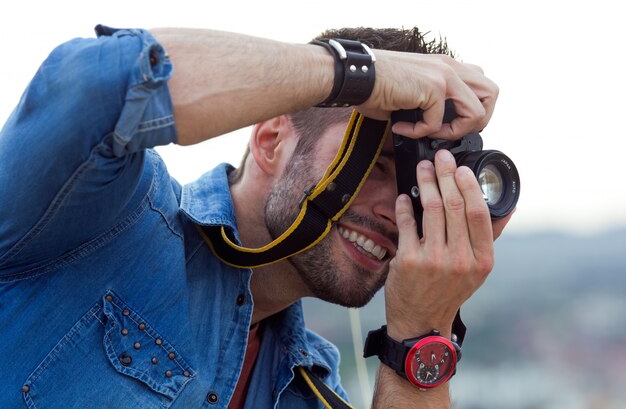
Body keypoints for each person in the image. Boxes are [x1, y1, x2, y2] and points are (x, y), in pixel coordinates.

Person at [0, 24, 511, 409]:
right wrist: (360, 73)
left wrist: (419, 338)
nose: (394, 210)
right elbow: (91, 85)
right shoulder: (105, 220)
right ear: (271, 140)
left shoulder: (309, 391)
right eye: (374, 165)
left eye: (414, 186)